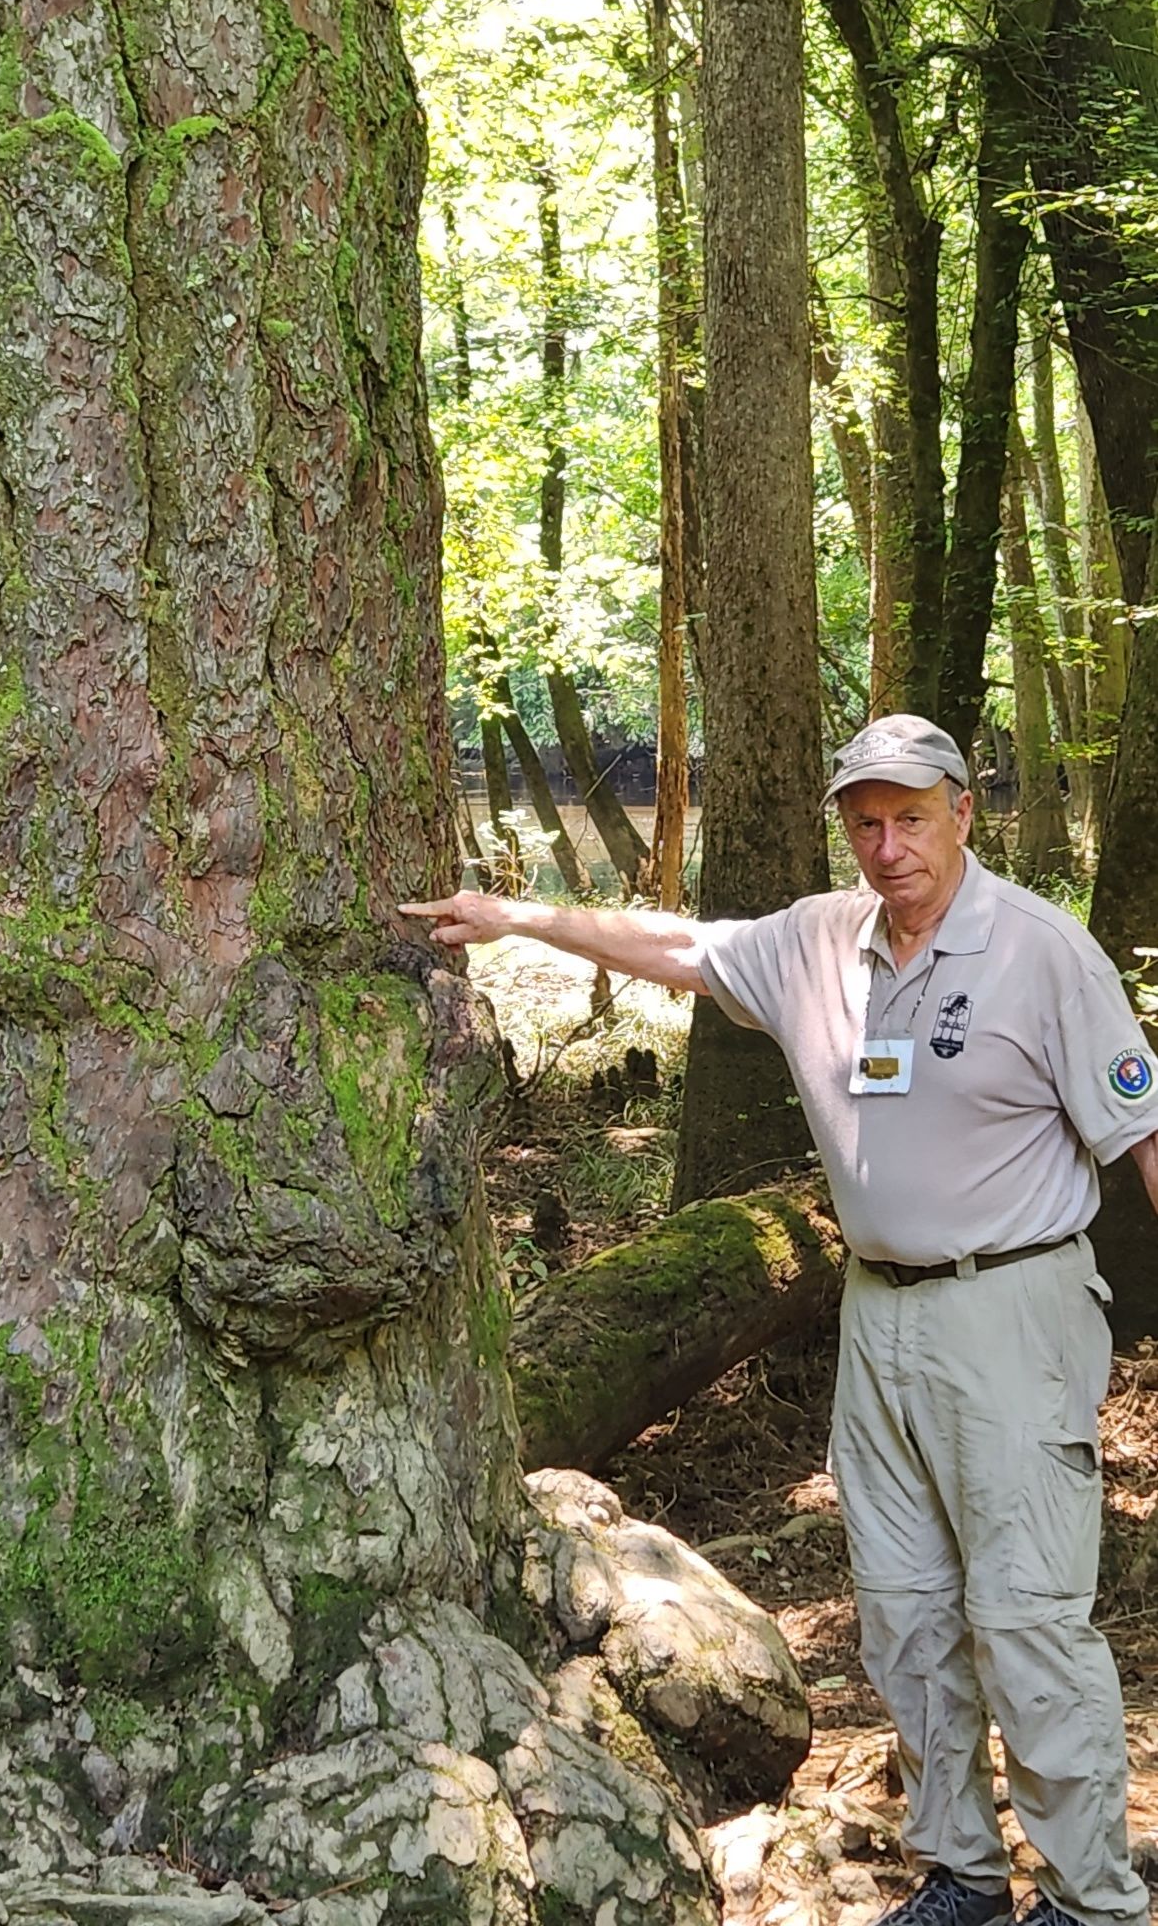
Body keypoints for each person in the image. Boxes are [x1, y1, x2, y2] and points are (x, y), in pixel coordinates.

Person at [402, 713, 1158, 1926]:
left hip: (1014, 1306)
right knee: (906, 1609)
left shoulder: (1043, 952)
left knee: (1027, 1615)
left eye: (912, 817)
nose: (890, 845)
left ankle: (1087, 1897)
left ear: (964, 811)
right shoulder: (820, 940)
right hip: (878, 1315)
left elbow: (1145, 1133)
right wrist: (517, 916)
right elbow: (677, 944)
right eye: (867, 822)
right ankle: (961, 1872)